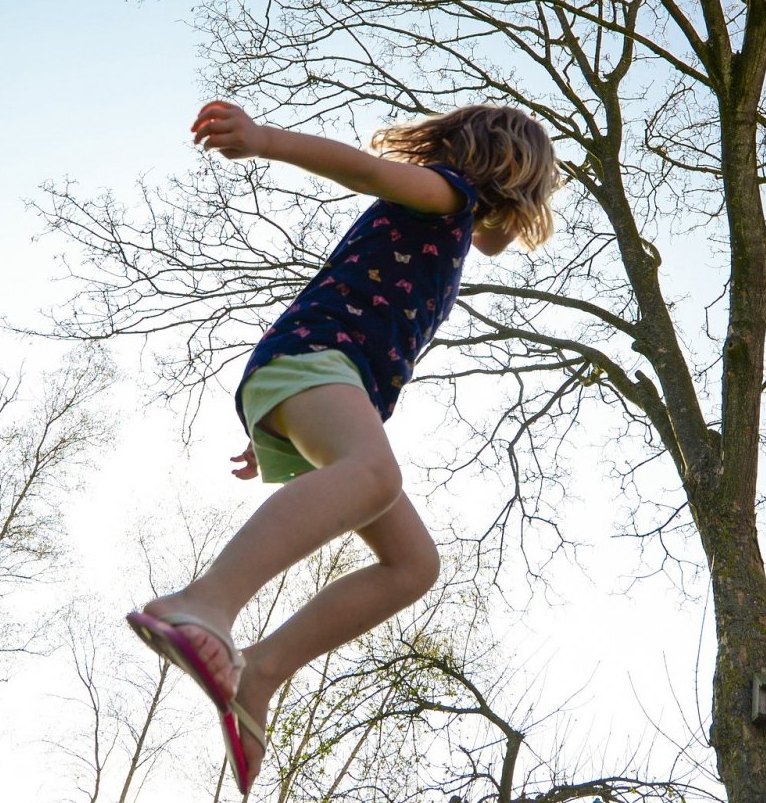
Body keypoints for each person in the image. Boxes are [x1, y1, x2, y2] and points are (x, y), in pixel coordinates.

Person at [125, 99, 561, 797]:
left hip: (319, 379)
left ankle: (259, 673)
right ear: (510, 175)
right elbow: (361, 168)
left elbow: (494, 241)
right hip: (317, 361)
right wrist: (263, 139)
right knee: (373, 473)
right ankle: (203, 602)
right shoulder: (448, 192)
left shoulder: (451, 222)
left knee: (414, 564)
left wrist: (283, 425)